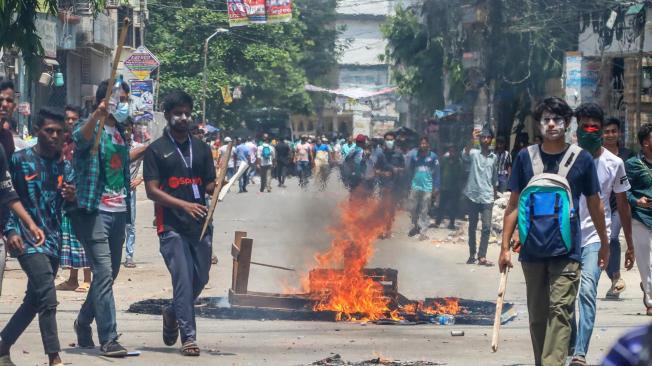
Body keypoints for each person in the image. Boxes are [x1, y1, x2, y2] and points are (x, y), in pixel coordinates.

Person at [499, 97, 606, 366]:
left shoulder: (582, 159)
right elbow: (513, 205)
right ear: (538, 124)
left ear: (567, 123)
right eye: (545, 119)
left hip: (567, 251)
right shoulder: (525, 158)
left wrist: (605, 242)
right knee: (537, 315)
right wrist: (503, 248)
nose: (551, 124)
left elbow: (595, 204)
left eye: (557, 119)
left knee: (560, 311)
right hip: (531, 251)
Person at [70, 79, 141, 356]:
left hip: (119, 211)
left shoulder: (121, 132)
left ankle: (83, 321)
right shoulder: (94, 128)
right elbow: (78, 137)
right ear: (103, 100)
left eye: (123, 99)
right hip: (95, 211)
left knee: (108, 276)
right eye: (116, 99)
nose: (120, 104)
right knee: (102, 272)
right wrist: (96, 115)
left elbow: (121, 165)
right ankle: (109, 338)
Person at [0, 107, 75, 366]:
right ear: (37, 132)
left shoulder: (65, 167)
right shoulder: (19, 161)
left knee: (34, 300)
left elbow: (69, 206)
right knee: (47, 294)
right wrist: (9, 230)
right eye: (49, 131)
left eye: (59, 131)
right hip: (24, 238)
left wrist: (71, 198)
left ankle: (2, 345)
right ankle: (54, 357)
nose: (55, 136)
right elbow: (7, 197)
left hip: (53, 240)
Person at [143, 91, 216, 356]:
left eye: (187, 113)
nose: (183, 118)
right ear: (168, 115)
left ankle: (172, 312)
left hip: (201, 225)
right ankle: (189, 337)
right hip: (171, 225)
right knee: (183, 280)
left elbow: (207, 185)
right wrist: (183, 205)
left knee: (202, 277)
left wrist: (216, 186)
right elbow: (151, 191)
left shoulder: (202, 148)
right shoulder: (156, 150)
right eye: (178, 113)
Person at [569, 103, 633, 366]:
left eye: (594, 126)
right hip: (567, 236)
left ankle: (580, 353)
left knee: (586, 291)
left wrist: (629, 244)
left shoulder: (614, 163)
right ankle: (572, 337)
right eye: (584, 126)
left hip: (598, 237)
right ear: (578, 129)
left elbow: (623, 204)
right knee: (564, 295)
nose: (590, 131)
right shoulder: (567, 159)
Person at [57, 105, 92, 292]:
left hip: (82, 194)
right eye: (67, 118)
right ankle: (72, 279)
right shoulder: (61, 141)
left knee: (82, 238)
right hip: (65, 194)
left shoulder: (84, 141)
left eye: (74, 118)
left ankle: (87, 278)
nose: (70, 122)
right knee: (69, 237)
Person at [602, 117, 634, 298]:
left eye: (613, 131)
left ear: (619, 133)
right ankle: (615, 277)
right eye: (607, 131)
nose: (610, 135)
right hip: (602, 204)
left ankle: (616, 276)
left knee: (612, 238)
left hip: (622, 204)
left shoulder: (627, 155)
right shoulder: (596, 154)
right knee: (606, 241)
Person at [625, 123, 652, 316]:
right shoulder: (632, 165)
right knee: (646, 262)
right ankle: (650, 300)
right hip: (641, 218)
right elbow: (623, 192)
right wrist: (636, 201)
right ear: (645, 142)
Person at [462, 125, 498, 266]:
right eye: (483, 137)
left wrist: (495, 194)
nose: (485, 139)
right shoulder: (473, 153)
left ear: (491, 140)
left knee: (487, 227)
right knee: (472, 226)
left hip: (487, 196)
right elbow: (464, 154)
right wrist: (472, 139)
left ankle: (482, 256)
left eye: (488, 137)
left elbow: (494, 178)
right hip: (473, 195)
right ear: (480, 139)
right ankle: (472, 254)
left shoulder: (493, 158)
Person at [406, 136, 440, 241]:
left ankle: (423, 231)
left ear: (428, 144)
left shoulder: (433, 157)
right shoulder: (414, 156)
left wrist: (437, 186)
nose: (423, 145)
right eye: (421, 143)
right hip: (415, 185)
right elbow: (410, 170)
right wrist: (408, 184)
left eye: (425, 143)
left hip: (428, 186)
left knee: (424, 209)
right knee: (412, 207)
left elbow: (437, 173)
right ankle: (415, 225)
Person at [124, 120, 147, 268]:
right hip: (114, 190)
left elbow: (149, 163)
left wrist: (140, 178)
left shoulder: (138, 148)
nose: (126, 132)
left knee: (130, 224)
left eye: (128, 129)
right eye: (123, 129)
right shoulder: (114, 145)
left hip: (130, 190)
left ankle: (129, 255)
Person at [374, 131, 405, 238]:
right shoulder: (380, 154)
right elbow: (375, 170)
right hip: (383, 186)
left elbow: (404, 168)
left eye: (391, 139)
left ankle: (388, 229)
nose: (389, 141)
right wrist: (384, 173)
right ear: (384, 140)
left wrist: (397, 170)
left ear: (394, 140)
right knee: (382, 208)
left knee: (392, 209)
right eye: (387, 139)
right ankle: (381, 229)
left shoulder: (399, 153)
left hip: (395, 185)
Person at [436, 143, 463, 230]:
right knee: (441, 205)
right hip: (444, 187)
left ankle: (451, 223)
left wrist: (460, 187)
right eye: (450, 150)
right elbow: (440, 171)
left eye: (453, 151)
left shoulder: (459, 161)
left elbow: (461, 175)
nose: (452, 152)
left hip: (454, 188)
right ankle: (438, 221)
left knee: (453, 206)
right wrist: (438, 185)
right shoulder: (444, 160)